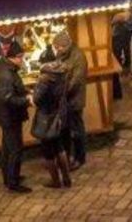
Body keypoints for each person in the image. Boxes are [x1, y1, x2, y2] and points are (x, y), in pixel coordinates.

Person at [0, 40, 31, 193]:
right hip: (10, 116)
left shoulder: (7, 70)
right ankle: (13, 182)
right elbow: (7, 98)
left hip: (7, 116)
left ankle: (9, 177)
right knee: (15, 149)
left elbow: (13, 90)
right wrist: (26, 100)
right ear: (13, 57)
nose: (22, 60)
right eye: (20, 57)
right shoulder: (7, 75)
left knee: (8, 148)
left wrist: (25, 91)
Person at [31, 59, 71, 189]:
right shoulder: (62, 74)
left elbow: (37, 99)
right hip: (57, 115)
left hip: (46, 117)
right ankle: (67, 178)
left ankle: (56, 181)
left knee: (48, 150)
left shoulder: (45, 79)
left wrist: (32, 94)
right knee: (59, 147)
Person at [53, 30, 87, 170]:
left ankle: (80, 157)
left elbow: (76, 81)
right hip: (64, 100)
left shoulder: (78, 57)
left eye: (58, 47)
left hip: (74, 100)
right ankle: (66, 156)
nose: (57, 50)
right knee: (65, 129)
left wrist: (62, 91)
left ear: (66, 45)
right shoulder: (63, 53)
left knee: (77, 130)